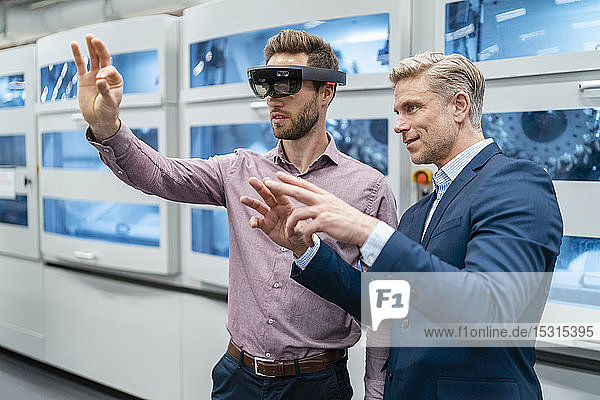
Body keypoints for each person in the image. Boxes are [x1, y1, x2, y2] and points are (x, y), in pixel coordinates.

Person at [70, 29, 397, 400]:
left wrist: (377, 393)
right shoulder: (240, 169)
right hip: (237, 376)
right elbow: (160, 175)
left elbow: (385, 307)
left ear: (326, 92)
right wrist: (107, 127)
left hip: (315, 384)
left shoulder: (369, 190)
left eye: (287, 84)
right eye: (266, 84)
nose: (274, 97)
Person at [243, 52, 563, 399]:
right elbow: (383, 306)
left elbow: (490, 309)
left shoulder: (516, 183)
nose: (398, 125)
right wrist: (305, 250)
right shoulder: (418, 214)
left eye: (411, 108)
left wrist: (367, 231)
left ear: (458, 106)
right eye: (398, 112)